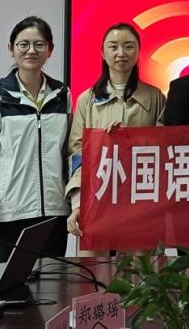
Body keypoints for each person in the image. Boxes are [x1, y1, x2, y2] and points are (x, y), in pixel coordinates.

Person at [0, 16, 71, 263]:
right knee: (7, 282)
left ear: (50, 50)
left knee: (51, 282)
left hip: (54, 210)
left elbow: (70, 152)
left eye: (39, 44)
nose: (31, 51)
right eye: (23, 44)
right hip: (9, 212)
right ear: (11, 49)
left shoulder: (62, 94)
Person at [65, 23, 166, 253]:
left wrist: (133, 140)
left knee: (140, 271)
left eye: (128, 46)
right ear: (103, 53)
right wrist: (78, 203)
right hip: (97, 201)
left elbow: (164, 149)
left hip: (141, 202)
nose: (121, 53)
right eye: (113, 46)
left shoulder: (155, 97)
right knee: (93, 270)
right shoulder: (87, 100)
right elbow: (77, 154)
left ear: (138, 52)